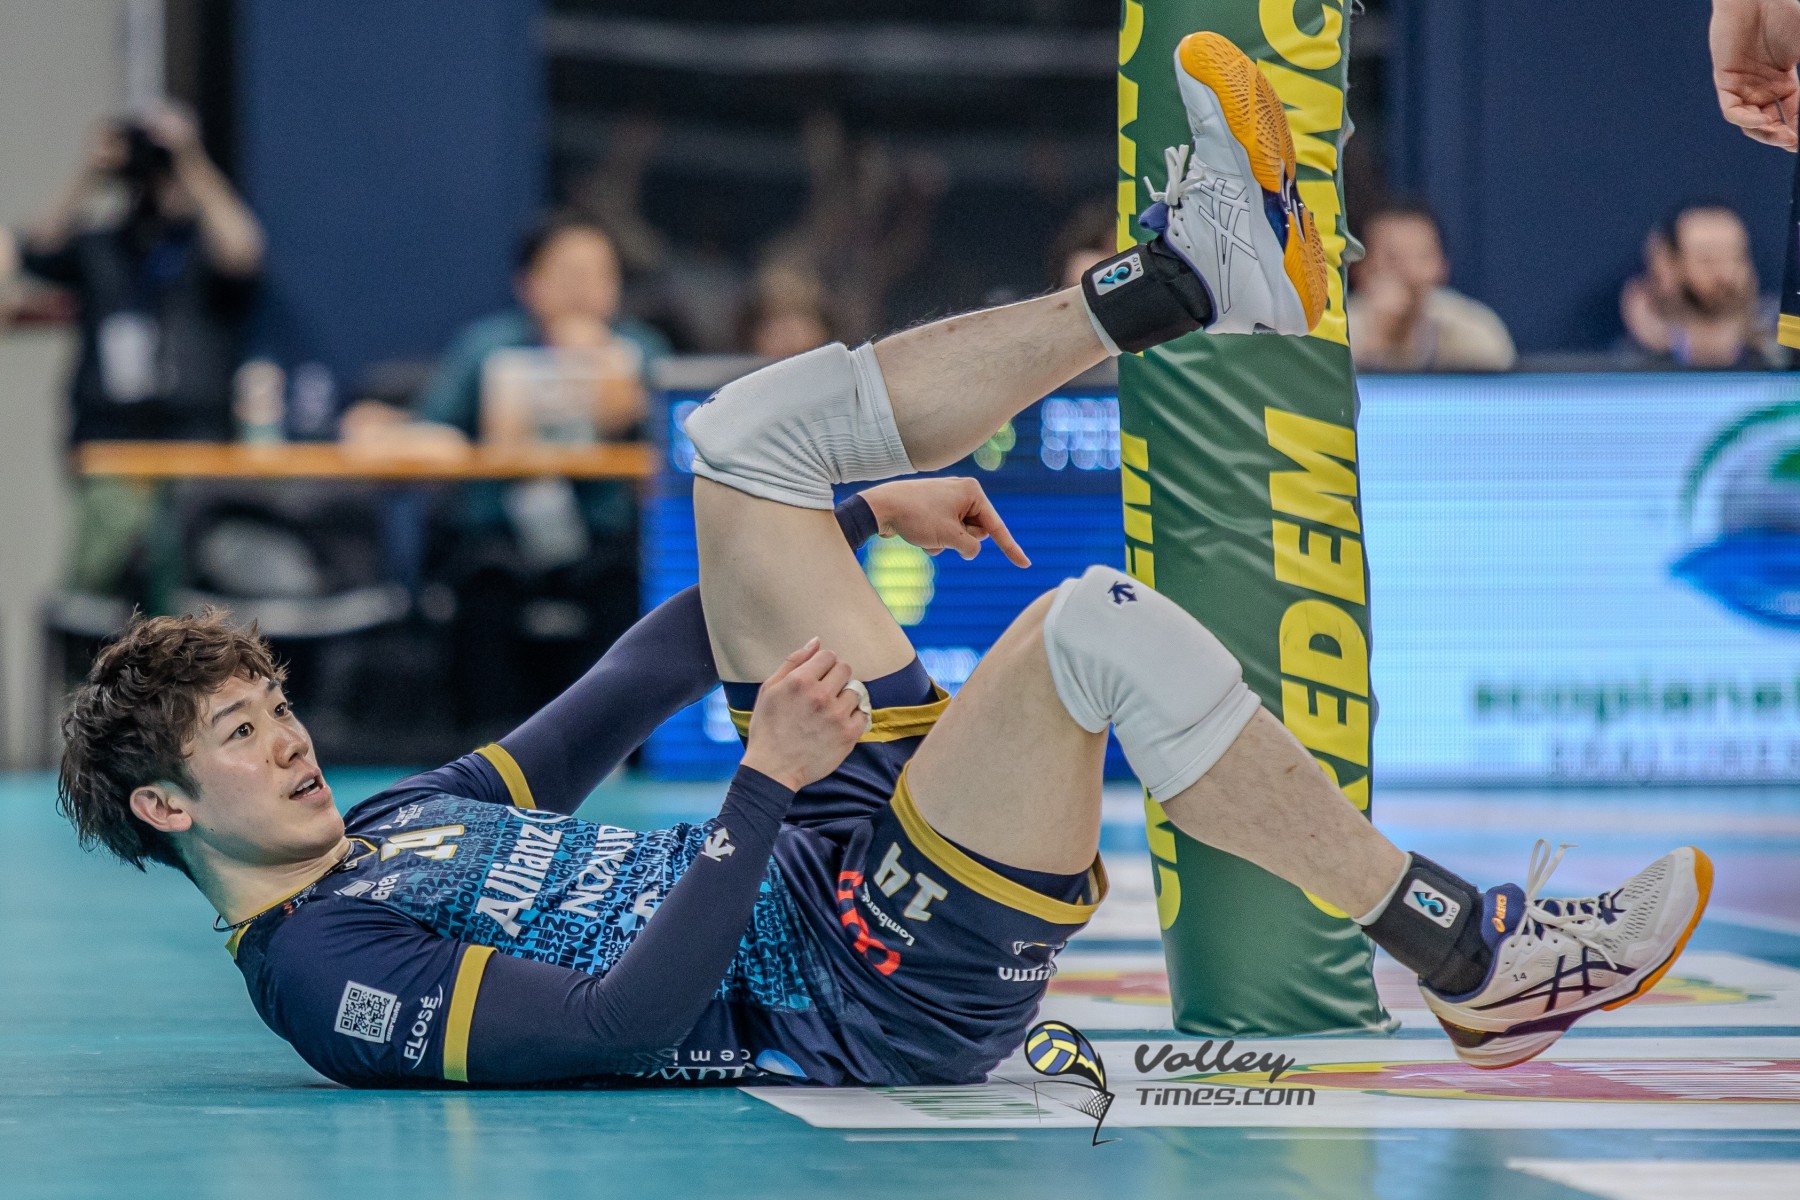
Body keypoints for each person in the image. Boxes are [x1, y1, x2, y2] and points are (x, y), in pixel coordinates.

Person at [59, 35, 1708, 1088]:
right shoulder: (322, 976)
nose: (288, 736)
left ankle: (1183, 282)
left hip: (827, 843)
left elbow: (640, 673)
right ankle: (1472, 956)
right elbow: (624, 1029)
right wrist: (762, 781)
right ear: (167, 809)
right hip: (866, 982)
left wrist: (860, 512)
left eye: (272, 703)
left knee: (749, 438)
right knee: (1093, 629)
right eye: (240, 735)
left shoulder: (400, 820)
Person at [411, 214, 672, 740]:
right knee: (483, 585)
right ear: (529, 283)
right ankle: (487, 749)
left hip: (604, 539)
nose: (586, 289)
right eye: (570, 273)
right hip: (501, 534)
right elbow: (431, 427)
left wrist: (611, 380)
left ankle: (609, 741)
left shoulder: (642, 351)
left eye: (601, 274)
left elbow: (675, 441)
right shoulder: (487, 346)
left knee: (629, 586)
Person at [15, 105, 263, 606]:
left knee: (196, 595)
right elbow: (35, 249)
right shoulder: (101, 245)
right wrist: (91, 173)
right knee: (98, 587)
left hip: (195, 444)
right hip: (109, 446)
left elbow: (244, 253)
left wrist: (189, 159)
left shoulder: (200, 247)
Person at [1345, 204, 1515, 372]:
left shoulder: (1473, 327)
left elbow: (1499, 374)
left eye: (1422, 256)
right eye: (1393, 258)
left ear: (1443, 266)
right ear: (1360, 269)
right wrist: (1380, 342)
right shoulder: (1340, 329)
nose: (1410, 272)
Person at [1620, 205, 1779, 368]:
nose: (1725, 275)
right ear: (1668, 266)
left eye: (1735, 258)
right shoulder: (1630, 367)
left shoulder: (1779, 351)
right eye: (1707, 260)